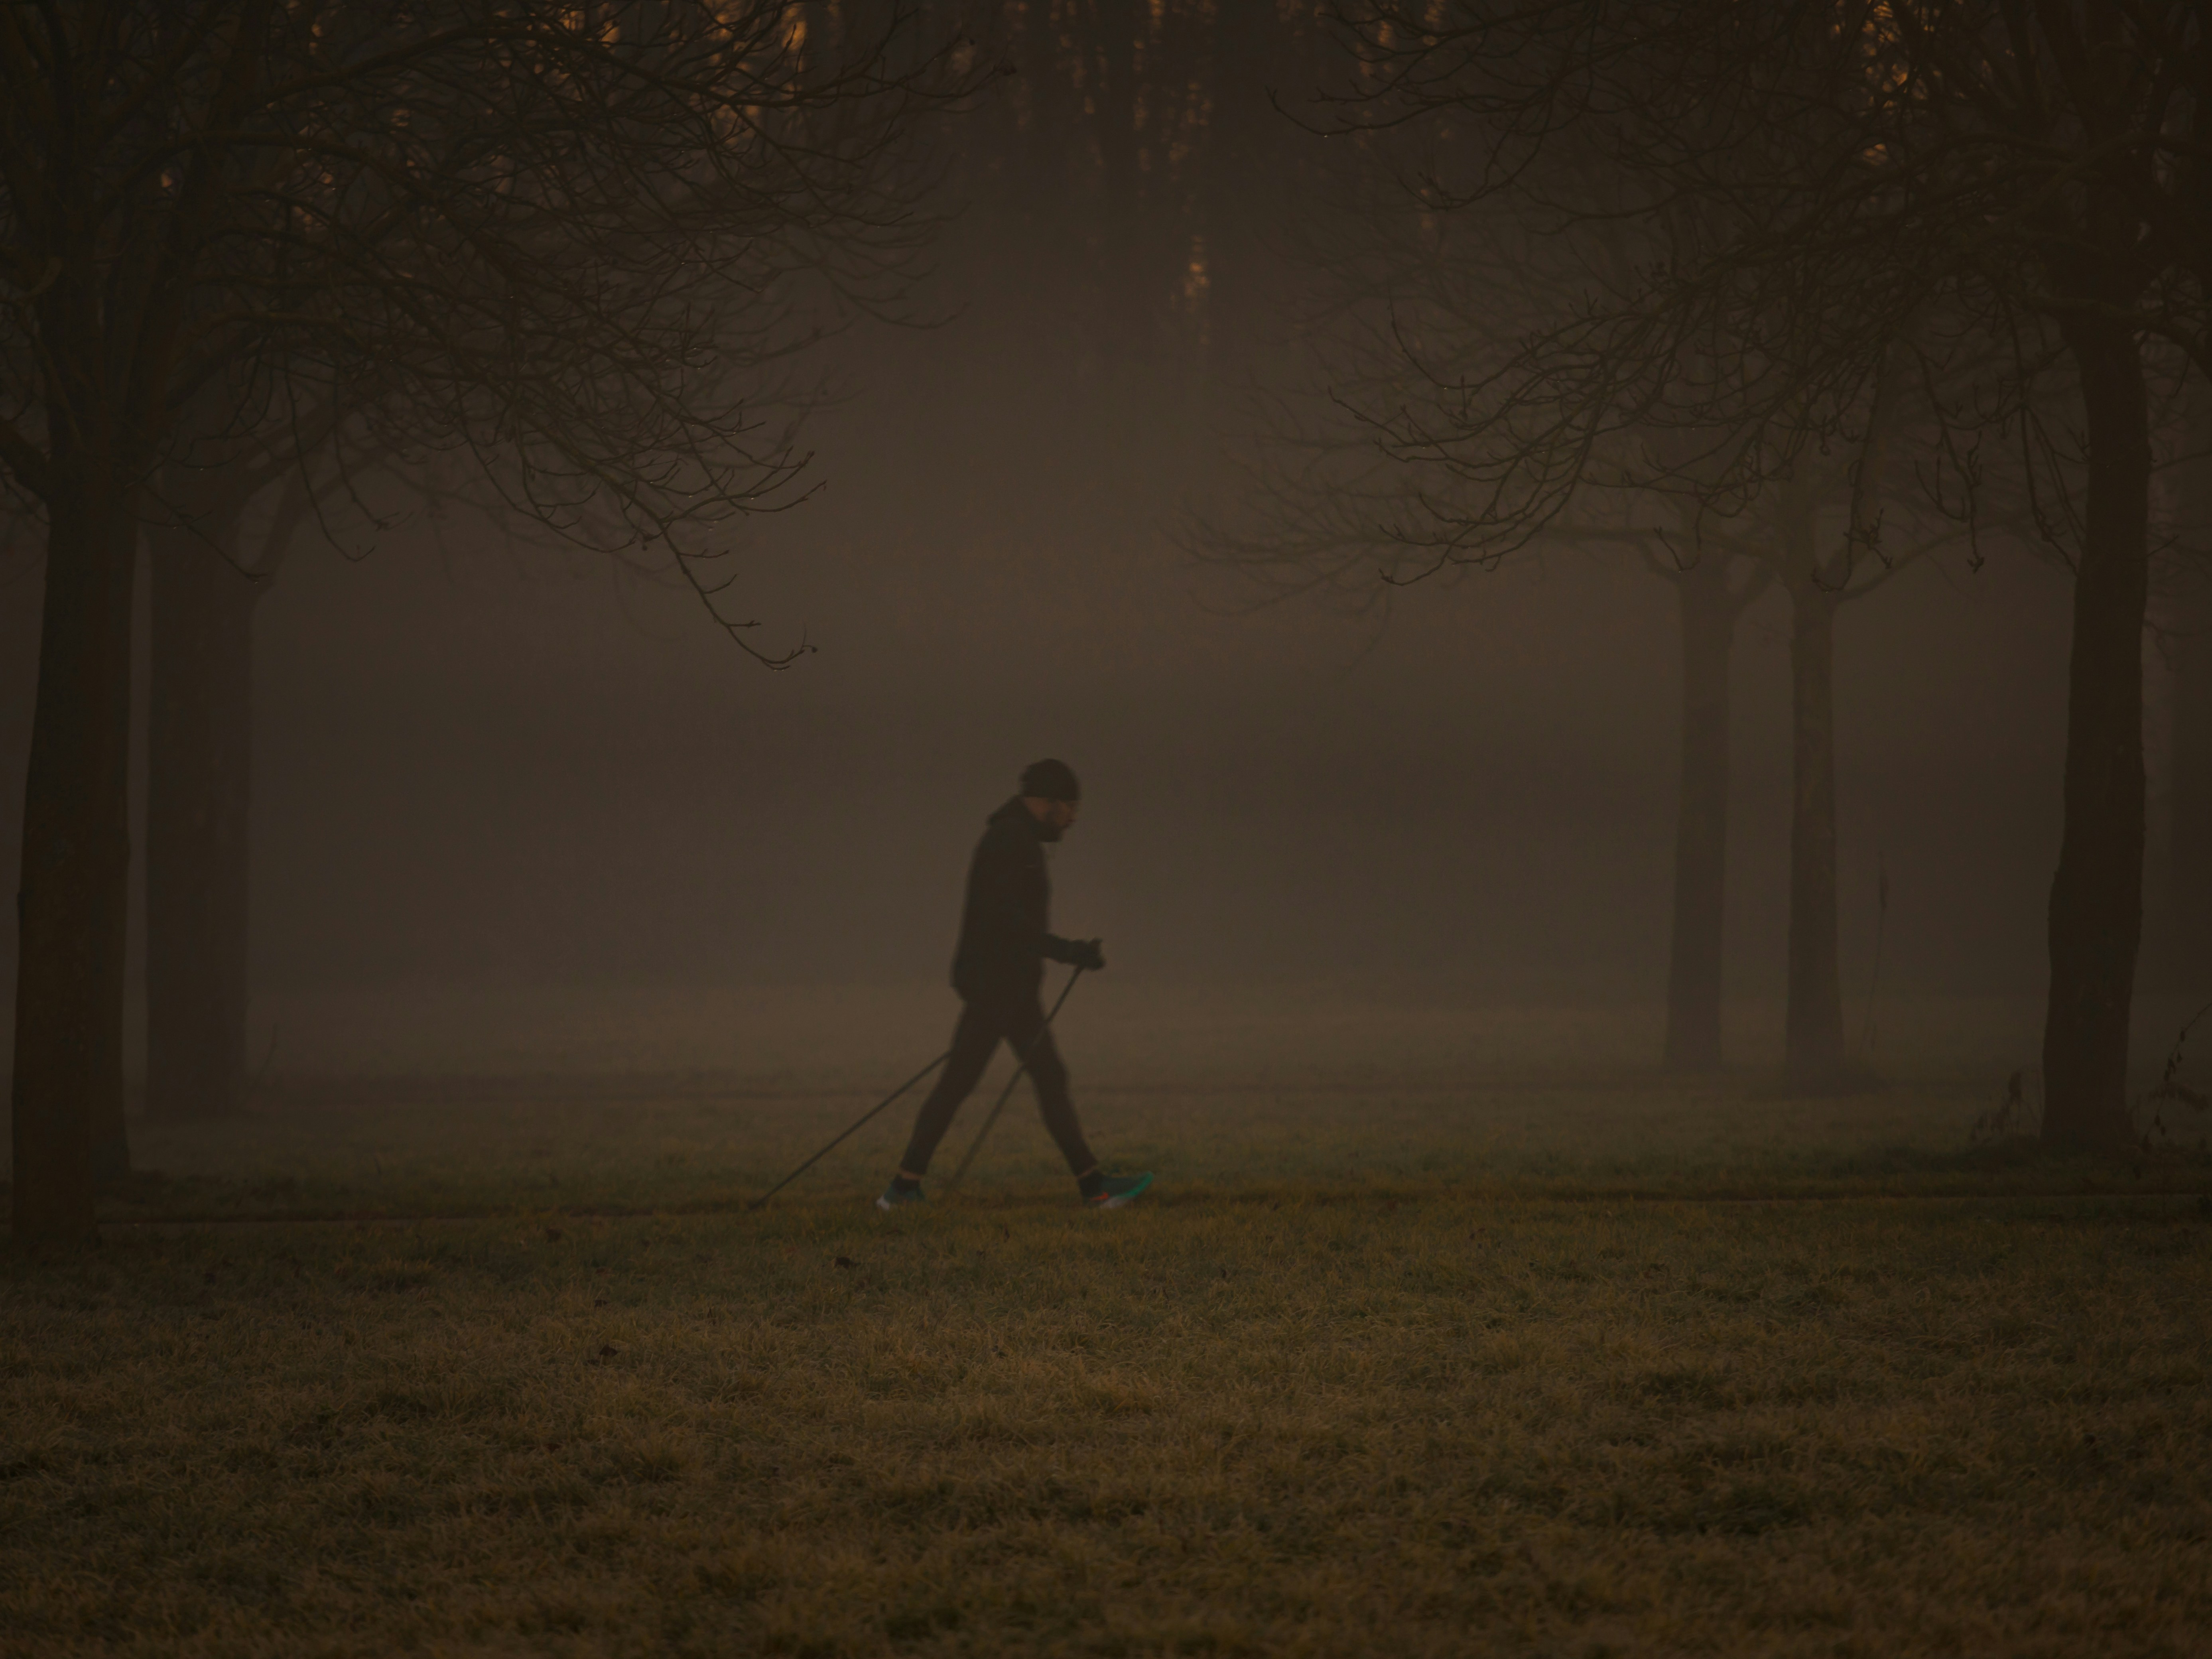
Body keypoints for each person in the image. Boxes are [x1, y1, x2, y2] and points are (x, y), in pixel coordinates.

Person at [878, 759, 1152, 1211]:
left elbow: (1007, 920)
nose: (1074, 818)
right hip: (1000, 988)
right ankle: (1095, 1188)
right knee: (1027, 1078)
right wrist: (1069, 951)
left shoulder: (1013, 837)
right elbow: (1007, 921)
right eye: (1070, 807)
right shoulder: (1011, 840)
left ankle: (903, 1188)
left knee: (986, 1081)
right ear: (1048, 802)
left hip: (1001, 986)